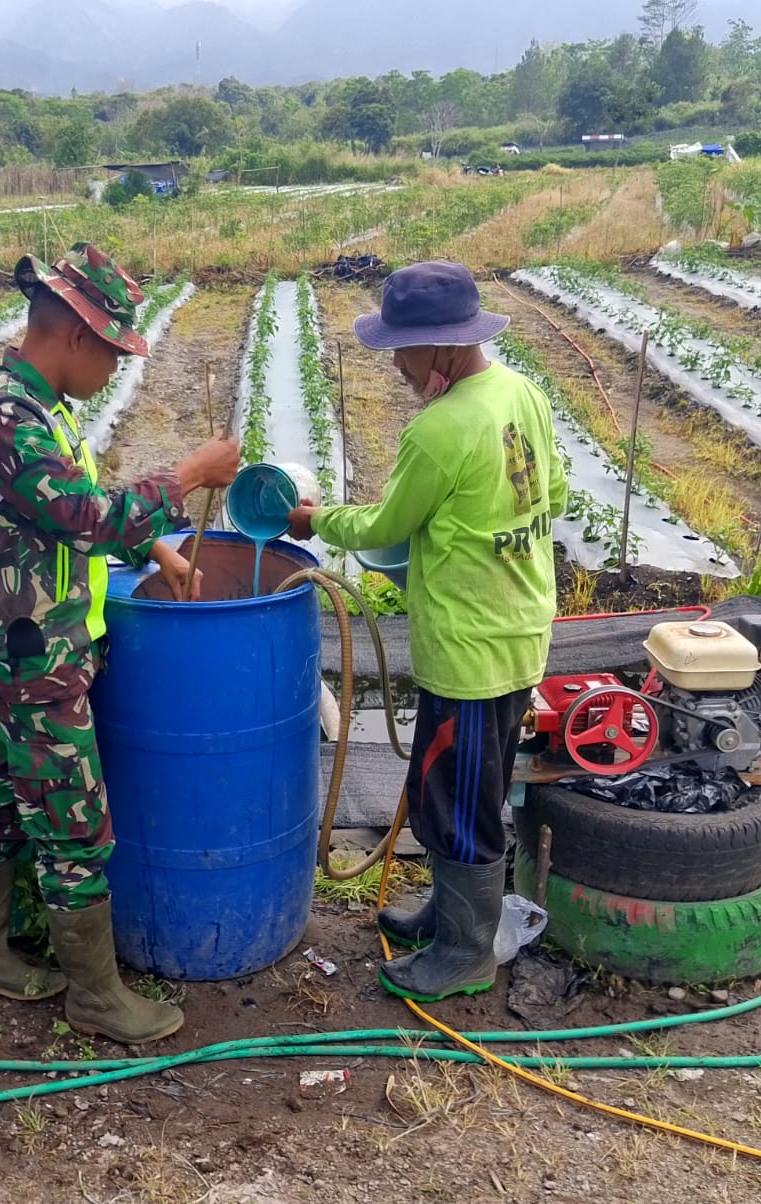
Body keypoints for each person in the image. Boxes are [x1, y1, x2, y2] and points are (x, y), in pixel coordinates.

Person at [0, 243, 240, 1043]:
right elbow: (81, 514)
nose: (114, 367)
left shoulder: (43, 408)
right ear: (74, 336)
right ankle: (97, 999)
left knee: (6, 798)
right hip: (30, 656)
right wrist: (184, 478)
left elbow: (70, 513)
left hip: (29, 647)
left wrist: (156, 548)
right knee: (76, 827)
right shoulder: (8, 415)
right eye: (113, 351)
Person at [286, 260, 568, 1003]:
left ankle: (466, 954)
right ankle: (449, 914)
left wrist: (315, 522)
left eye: (404, 352)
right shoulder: (520, 392)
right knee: (468, 783)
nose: (399, 367)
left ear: (441, 348)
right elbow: (555, 490)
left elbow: (385, 526)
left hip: (469, 650)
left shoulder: (440, 429)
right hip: (518, 628)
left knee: (454, 801)